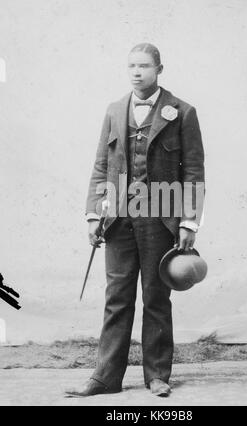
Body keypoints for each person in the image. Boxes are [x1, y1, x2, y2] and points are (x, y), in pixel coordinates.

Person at [66, 43, 205, 398]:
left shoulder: (183, 112)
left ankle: (157, 375)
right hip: (118, 218)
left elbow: (193, 171)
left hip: (160, 217)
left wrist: (189, 222)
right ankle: (105, 377)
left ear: (160, 68)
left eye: (144, 65)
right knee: (117, 298)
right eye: (131, 65)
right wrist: (94, 213)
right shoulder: (114, 110)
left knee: (156, 298)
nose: (137, 72)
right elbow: (101, 165)